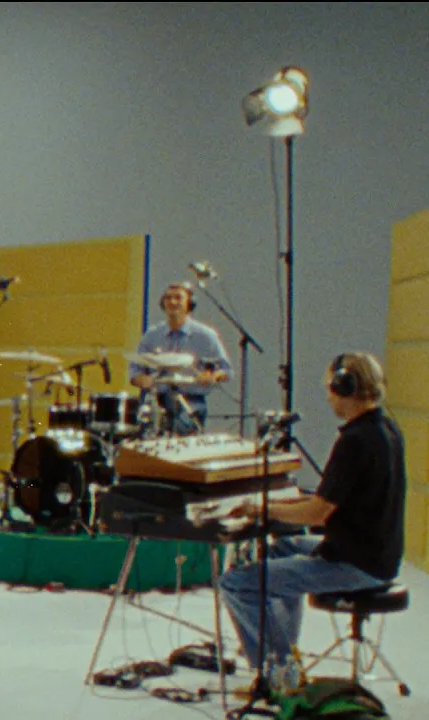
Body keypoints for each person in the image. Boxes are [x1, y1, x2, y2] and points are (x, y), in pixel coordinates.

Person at [217, 351, 406, 693]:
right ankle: (285, 650)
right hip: (375, 553)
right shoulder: (386, 428)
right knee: (280, 548)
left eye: (331, 387)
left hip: (355, 563)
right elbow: (330, 500)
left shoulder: (354, 441)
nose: (327, 395)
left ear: (345, 387)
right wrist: (272, 505)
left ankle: (281, 674)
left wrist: (261, 509)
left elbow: (316, 513)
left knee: (236, 584)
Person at [128, 282, 232, 434]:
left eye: (178, 298)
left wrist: (212, 376)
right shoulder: (152, 335)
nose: (172, 301)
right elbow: (134, 369)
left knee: (179, 427)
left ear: (190, 303)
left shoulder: (205, 335)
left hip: (191, 401)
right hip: (158, 400)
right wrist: (140, 379)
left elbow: (226, 370)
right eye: (168, 298)